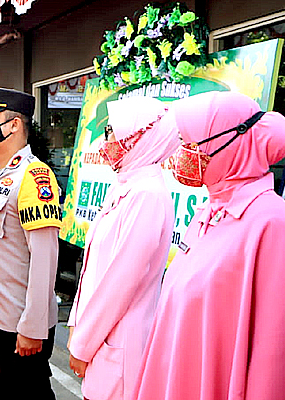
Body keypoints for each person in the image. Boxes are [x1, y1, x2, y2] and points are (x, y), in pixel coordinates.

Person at [133, 92, 285, 400]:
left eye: (191, 142)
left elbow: (272, 348)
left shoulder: (270, 223)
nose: (183, 153)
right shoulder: (210, 211)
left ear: (231, 142)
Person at [66, 97, 179, 400]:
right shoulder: (125, 186)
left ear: (140, 139)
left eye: (112, 133)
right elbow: (93, 268)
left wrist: (82, 343)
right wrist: (77, 323)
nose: (106, 142)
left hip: (119, 342)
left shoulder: (147, 195)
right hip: (102, 339)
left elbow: (119, 283)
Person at [0, 87, 61, 400]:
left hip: (20, 323)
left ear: (14, 125)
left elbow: (45, 258)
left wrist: (33, 326)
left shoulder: (34, 177)